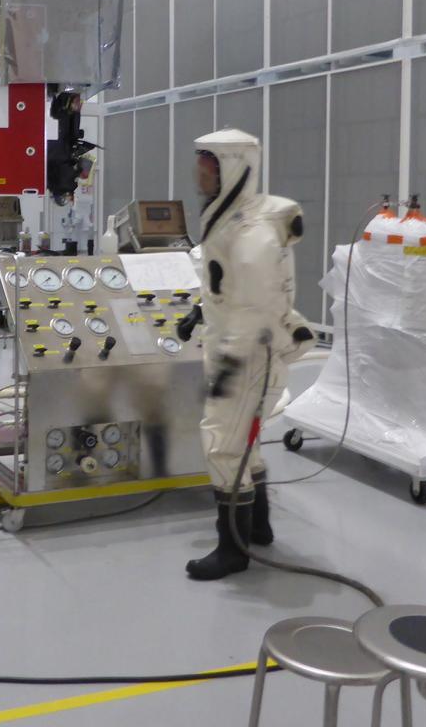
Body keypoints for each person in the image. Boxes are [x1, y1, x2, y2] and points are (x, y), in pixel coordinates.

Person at [179, 129, 315, 580]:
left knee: (221, 441)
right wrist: (199, 313)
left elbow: (256, 306)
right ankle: (258, 527)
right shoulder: (232, 218)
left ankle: (232, 550)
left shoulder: (252, 232)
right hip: (233, 344)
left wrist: (231, 364)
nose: (200, 175)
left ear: (233, 168)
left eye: (208, 166)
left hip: (246, 354)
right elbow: (228, 286)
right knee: (244, 443)